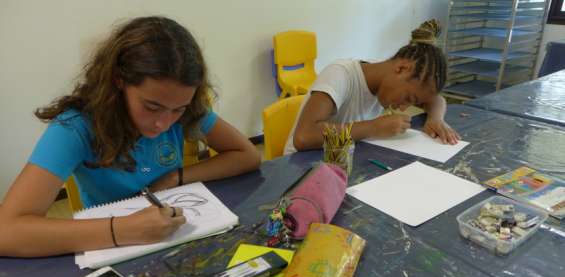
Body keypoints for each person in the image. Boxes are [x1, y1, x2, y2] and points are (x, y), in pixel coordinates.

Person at [0, 16, 261, 257]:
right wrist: (121, 230)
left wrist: (175, 177)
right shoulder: (75, 127)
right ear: (118, 81)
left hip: (169, 239)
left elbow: (247, 155)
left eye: (178, 110)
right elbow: (7, 232)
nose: (163, 123)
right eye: (151, 107)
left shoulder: (184, 108)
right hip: (111, 245)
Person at [284, 19, 460, 155]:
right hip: (300, 168)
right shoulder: (340, 75)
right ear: (402, 68)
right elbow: (304, 137)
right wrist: (373, 127)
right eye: (408, 98)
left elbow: (436, 99)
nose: (404, 107)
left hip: (341, 161)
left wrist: (436, 119)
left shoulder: (387, 76)